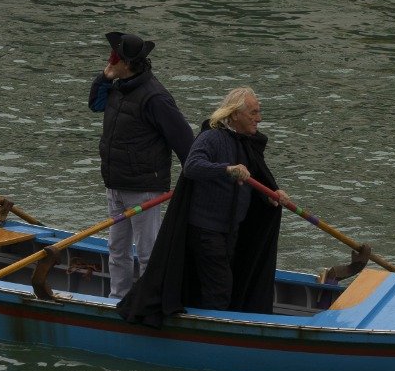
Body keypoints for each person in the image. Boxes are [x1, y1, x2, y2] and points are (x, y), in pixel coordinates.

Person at [119, 88, 286, 325]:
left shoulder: (248, 143)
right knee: (220, 288)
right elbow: (192, 166)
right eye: (253, 113)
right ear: (235, 114)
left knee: (225, 283)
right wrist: (226, 169)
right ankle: (210, 334)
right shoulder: (211, 137)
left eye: (259, 112)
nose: (258, 118)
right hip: (206, 231)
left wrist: (272, 195)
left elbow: (257, 179)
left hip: (231, 231)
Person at [88, 30, 193, 299]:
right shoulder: (116, 88)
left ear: (127, 63)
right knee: (117, 249)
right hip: (115, 183)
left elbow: (184, 140)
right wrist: (103, 77)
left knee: (147, 252)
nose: (110, 61)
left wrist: (191, 180)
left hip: (145, 188)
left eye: (114, 58)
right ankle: (118, 297)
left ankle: (149, 300)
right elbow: (95, 104)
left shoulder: (155, 98)